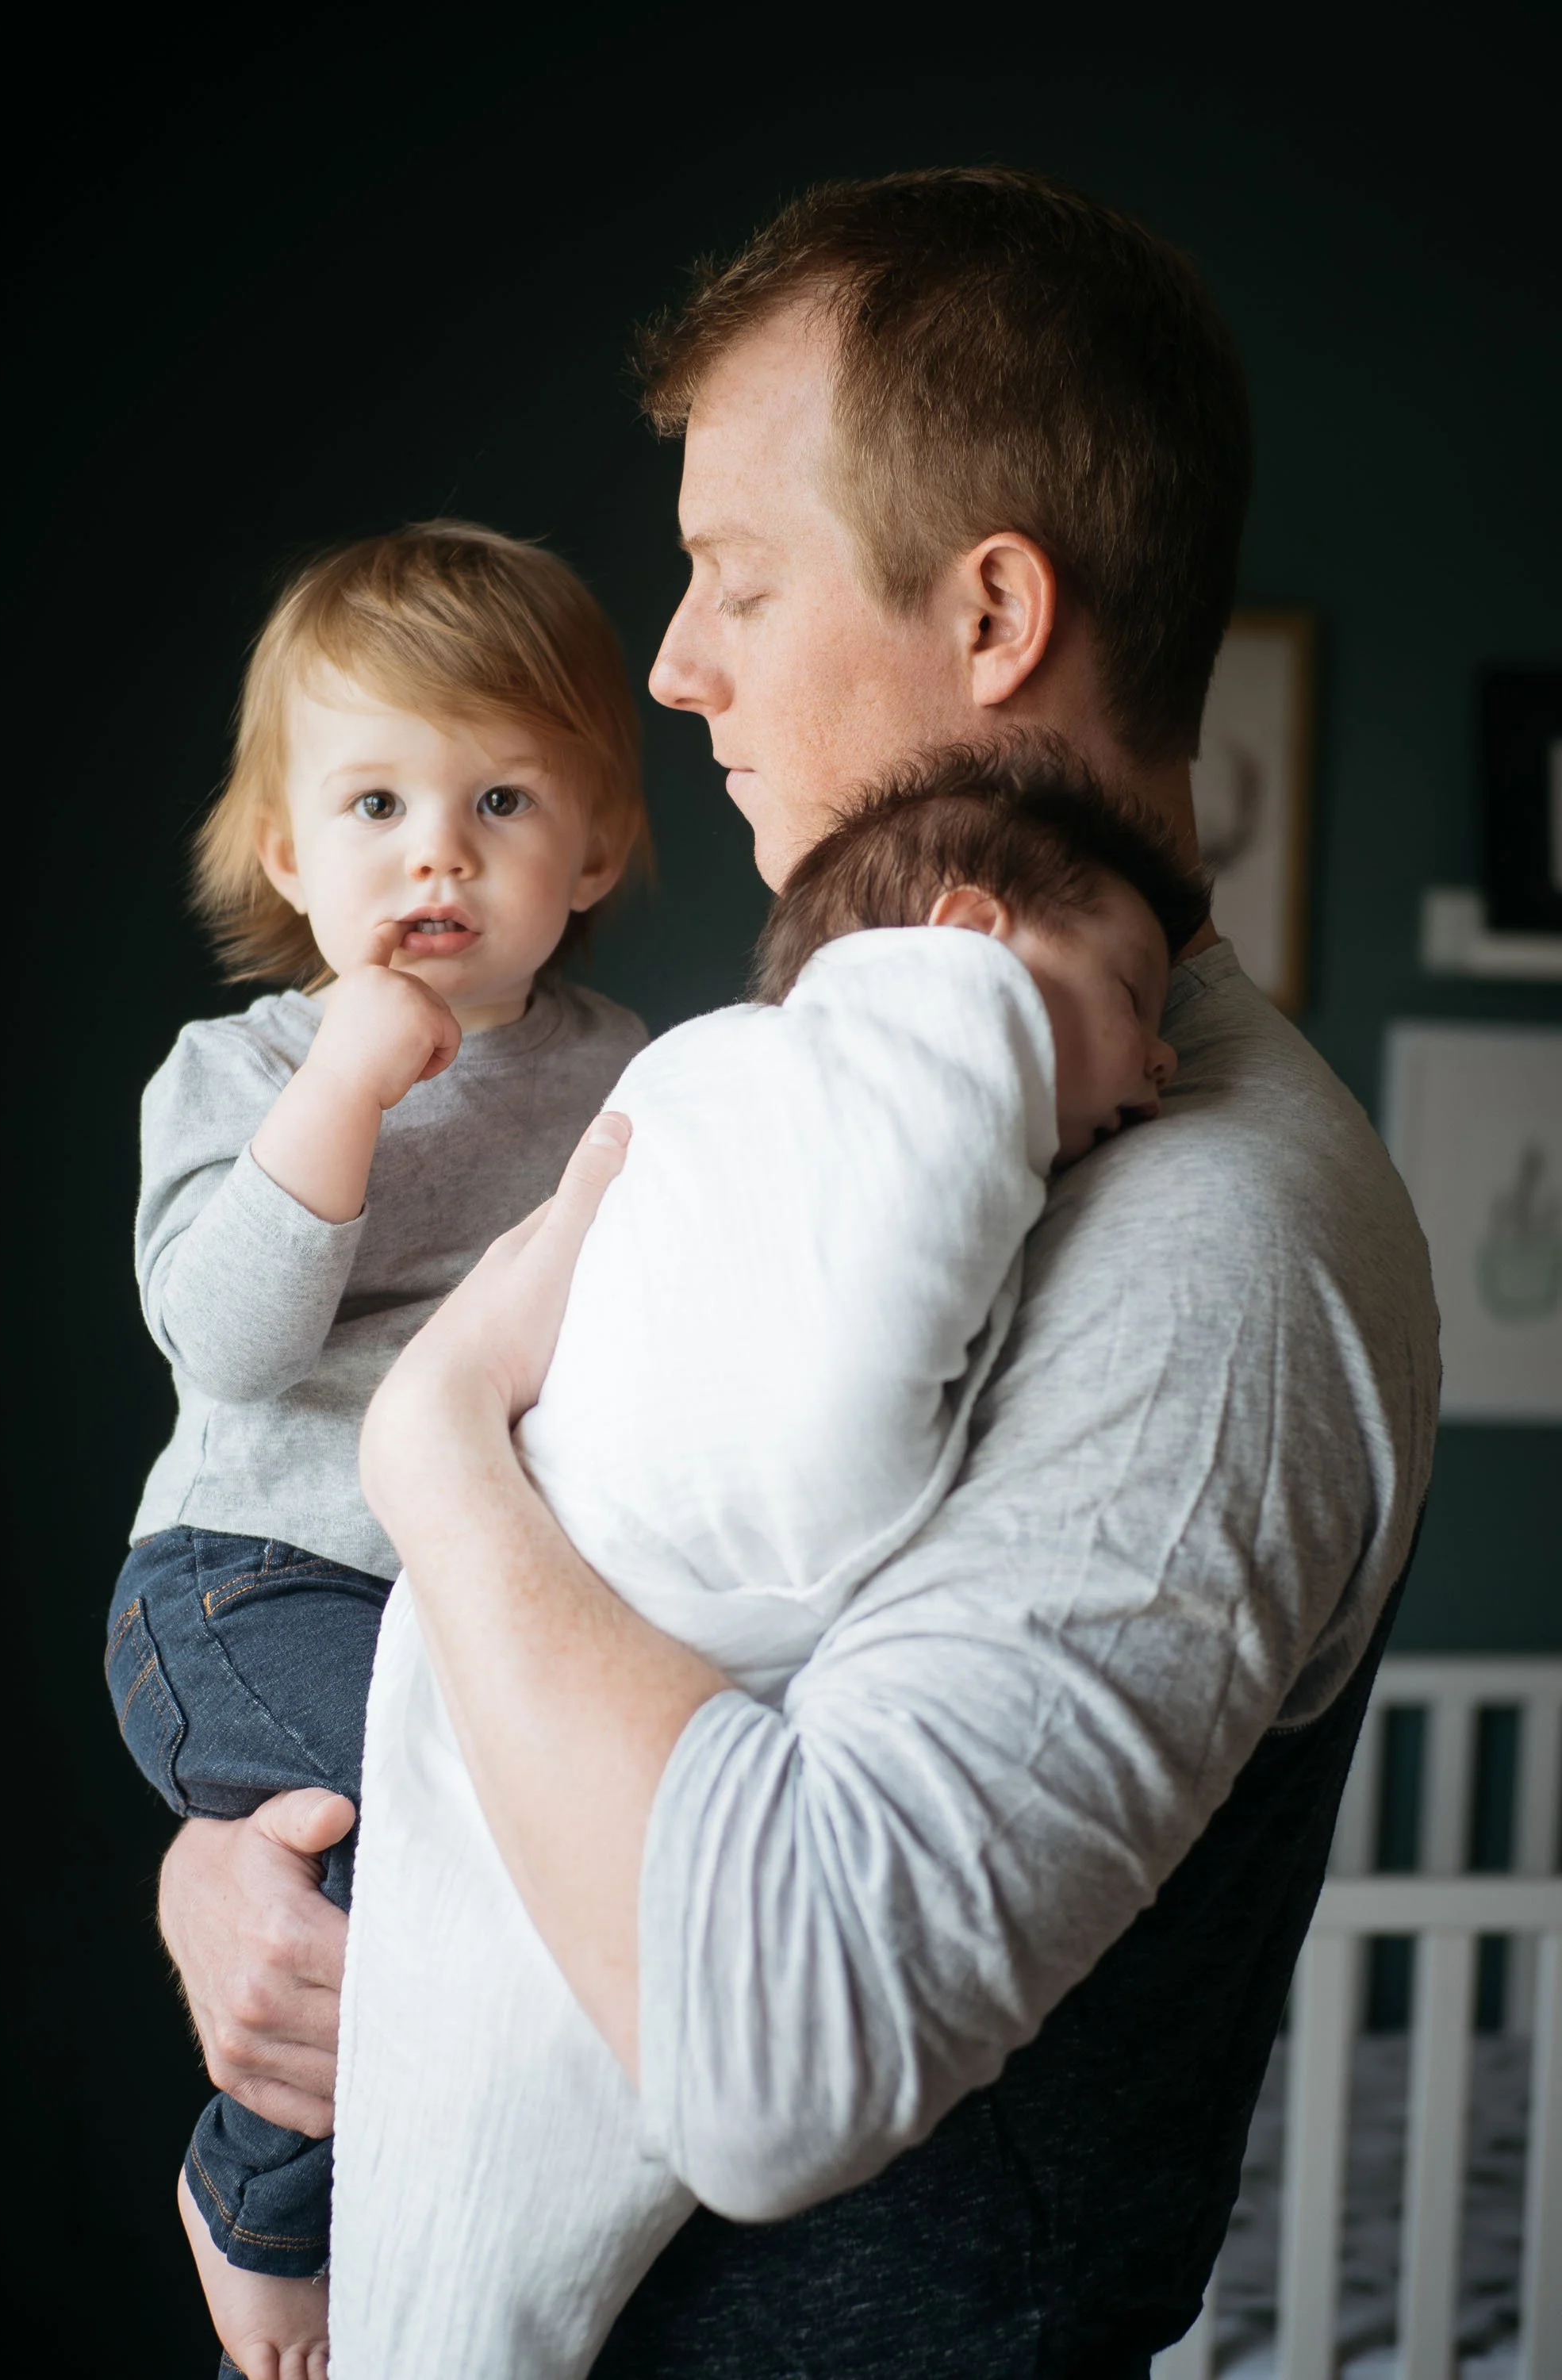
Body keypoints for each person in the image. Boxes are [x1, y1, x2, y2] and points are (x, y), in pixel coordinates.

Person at [157, 169, 1441, 2378]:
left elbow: (774, 2040)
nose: (673, 666)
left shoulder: (1220, 1231)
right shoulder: (824, 1106)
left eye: (736, 578)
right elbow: (593, 1667)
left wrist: (438, 1446)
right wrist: (260, 1898)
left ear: (995, 616)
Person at [330, 748, 1211, 2378]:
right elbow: (812, 1456)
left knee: (438, 2221)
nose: (1163, 1061)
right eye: (1134, 993)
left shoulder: (719, 1074)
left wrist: (436, 1442)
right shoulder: (921, 1038)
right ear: (963, 940)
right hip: (627, 1612)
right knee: (469, 2231)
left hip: (500, 1612)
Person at [104, 520, 648, 2380]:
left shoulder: (631, 1073)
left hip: (474, 1595)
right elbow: (233, 1348)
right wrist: (351, 1077)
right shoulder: (240, 1072)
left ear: (594, 848)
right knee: (455, 1821)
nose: (437, 851)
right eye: (375, 803)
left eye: (501, 797)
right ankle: (251, 2193)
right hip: (248, 1583)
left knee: (514, 1861)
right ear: (284, 852)